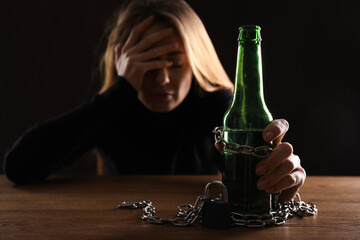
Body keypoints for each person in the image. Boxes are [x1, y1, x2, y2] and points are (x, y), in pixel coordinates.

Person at [3, 0, 305, 203]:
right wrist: (119, 91)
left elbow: (252, 184)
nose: (162, 79)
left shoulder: (217, 106)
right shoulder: (112, 108)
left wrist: (277, 175)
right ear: (124, 65)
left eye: (175, 64)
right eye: (147, 66)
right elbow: (18, 167)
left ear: (196, 63)